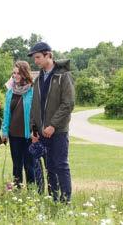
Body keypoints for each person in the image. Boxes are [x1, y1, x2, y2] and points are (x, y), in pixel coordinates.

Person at [28, 42, 75, 203]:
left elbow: (68, 103)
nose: (36, 61)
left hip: (58, 131)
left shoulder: (63, 75)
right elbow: (34, 107)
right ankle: (54, 199)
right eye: (35, 58)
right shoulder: (38, 79)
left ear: (49, 55)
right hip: (42, 132)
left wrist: (53, 125)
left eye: (38, 57)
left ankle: (66, 201)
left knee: (60, 165)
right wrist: (34, 131)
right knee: (49, 167)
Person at [1, 61, 44, 192]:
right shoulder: (11, 91)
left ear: (25, 73)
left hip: (29, 135)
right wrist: (4, 131)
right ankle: (17, 192)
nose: (15, 76)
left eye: (18, 73)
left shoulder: (32, 90)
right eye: (14, 73)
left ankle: (32, 192)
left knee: (29, 165)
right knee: (17, 166)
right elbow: (7, 112)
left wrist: (35, 132)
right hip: (14, 135)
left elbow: (38, 112)